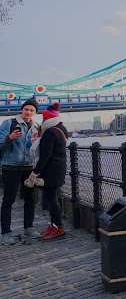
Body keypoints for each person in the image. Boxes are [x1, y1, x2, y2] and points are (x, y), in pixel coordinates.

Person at [0, 99, 40, 245]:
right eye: (26, 109)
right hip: (10, 166)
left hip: (29, 167)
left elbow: (35, 148)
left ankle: (28, 227)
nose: (28, 112)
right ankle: (5, 232)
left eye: (32, 110)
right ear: (22, 110)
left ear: (35, 112)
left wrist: (35, 142)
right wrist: (9, 138)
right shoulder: (9, 123)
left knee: (30, 199)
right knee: (8, 200)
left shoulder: (36, 126)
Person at [27, 102, 68, 240]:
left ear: (46, 118)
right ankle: (54, 225)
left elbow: (45, 155)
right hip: (59, 168)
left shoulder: (50, 131)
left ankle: (58, 227)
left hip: (50, 171)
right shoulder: (61, 128)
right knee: (55, 197)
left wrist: (34, 173)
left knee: (52, 199)